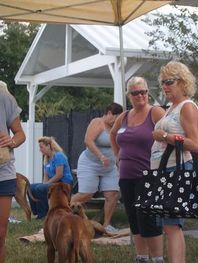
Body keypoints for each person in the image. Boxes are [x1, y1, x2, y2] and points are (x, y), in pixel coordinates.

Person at [151, 61, 198, 263]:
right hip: (164, 169)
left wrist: (163, 136)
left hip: (176, 168)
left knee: (172, 225)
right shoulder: (173, 107)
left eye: (169, 81)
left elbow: (195, 144)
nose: (165, 86)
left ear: (182, 82)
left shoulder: (187, 107)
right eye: (162, 82)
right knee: (167, 226)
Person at [110, 76, 165, 263]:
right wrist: (118, 156)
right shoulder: (124, 116)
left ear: (148, 92)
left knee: (148, 220)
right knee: (134, 220)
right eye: (135, 92)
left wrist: (161, 163)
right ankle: (141, 257)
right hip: (126, 176)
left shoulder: (155, 112)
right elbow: (112, 134)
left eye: (143, 91)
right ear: (129, 95)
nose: (140, 95)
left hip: (148, 176)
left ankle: (157, 258)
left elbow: (170, 135)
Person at [71, 102, 123, 235]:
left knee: (112, 195)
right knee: (86, 194)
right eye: (116, 117)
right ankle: (61, 216)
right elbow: (88, 141)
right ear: (110, 113)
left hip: (110, 167)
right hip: (90, 163)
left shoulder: (118, 127)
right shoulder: (97, 122)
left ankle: (106, 225)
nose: (117, 121)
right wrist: (100, 156)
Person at [0, 81, 26, 263]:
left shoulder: (4, 97)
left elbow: (20, 134)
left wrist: (12, 141)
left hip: (3, 173)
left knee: (0, 233)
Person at [29, 136, 73, 219]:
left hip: (63, 183)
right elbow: (46, 175)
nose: (40, 150)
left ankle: (44, 214)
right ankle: (37, 212)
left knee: (40, 188)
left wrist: (46, 184)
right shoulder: (46, 158)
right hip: (54, 183)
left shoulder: (58, 156)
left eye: (41, 147)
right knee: (31, 187)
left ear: (48, 146)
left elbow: (59, 174)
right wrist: (44, 184)